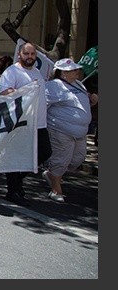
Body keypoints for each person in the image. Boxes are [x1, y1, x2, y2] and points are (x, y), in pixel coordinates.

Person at [0, 40, 52, 206]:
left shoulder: (37, 72)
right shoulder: (12, 72)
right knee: (16, 156)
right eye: (26, 54)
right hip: (20, 123)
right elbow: (4, 92)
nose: (29, 57)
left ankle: (17, 182)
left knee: (44, 153)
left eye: (32, 54)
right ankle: (13, 190)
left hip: (39, 123)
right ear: (19, 55)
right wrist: (20, 92)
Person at [43, 58, 97, 203]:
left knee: (77, 160)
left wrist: (92, 99)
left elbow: (80, 104)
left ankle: (52, 174)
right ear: (63, 73)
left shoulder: (79, 84)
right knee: (61, 160)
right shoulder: (53, 86)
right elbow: (43, 105)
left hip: (80, 132)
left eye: (76, 69)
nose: (76, 72)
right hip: (61, 131)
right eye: (72, 70)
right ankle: (56, 189)